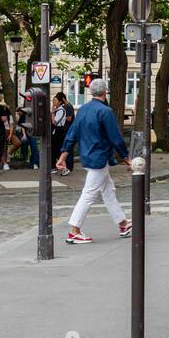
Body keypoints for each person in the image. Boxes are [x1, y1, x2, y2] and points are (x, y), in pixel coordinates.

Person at [56, 82, 130, 244]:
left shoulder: (83, 109)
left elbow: (72, 134)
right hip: (99, 158)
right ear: (105, 91)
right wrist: (126, 158)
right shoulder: (105, 111)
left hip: (87, 157)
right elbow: (115, 137)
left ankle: (123, 224)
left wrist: (63, 156)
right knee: (89, 194)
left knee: (108, 191)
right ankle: (74, 230)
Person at [51, 91, 74, 176]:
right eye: (53, 101)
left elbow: (55, 122)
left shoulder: (62, 109)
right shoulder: (60, 109)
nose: (54, 102)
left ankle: (65, 168)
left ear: (60, 101)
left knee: (58, 150)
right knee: (56, 150)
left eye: (55, 100)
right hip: (59, 131)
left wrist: (53, 113)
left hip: (60, 131)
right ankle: (59, 167)